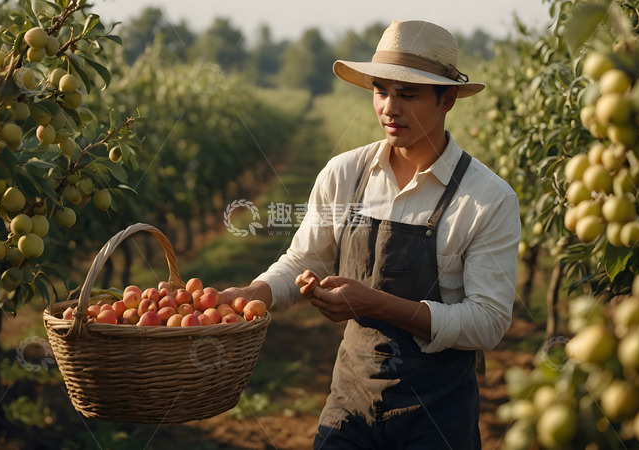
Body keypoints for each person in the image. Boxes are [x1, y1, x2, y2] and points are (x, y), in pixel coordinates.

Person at [221, 19, 520, 449]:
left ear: (448, 99)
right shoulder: (345, 174)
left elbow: (487, 322)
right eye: (381, 91)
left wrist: (374, 303)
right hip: (351, 399)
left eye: (408, 94)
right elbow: (305, 258)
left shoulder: (486, 198)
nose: (389, 108)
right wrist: (255, 292)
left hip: (437, 413)